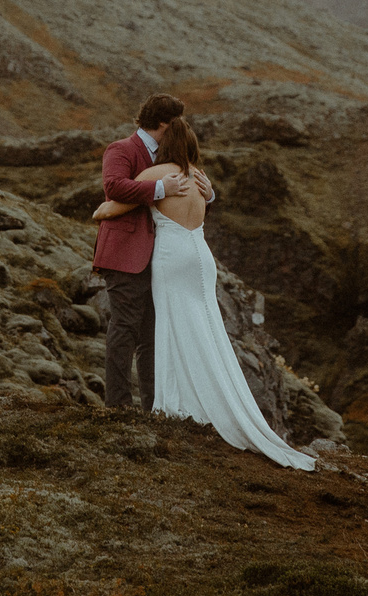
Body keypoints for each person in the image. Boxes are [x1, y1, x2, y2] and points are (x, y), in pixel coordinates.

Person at [92, 111, 315, 470]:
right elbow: (201, 204)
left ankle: (174, 401)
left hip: (173, 259)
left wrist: (102, 211)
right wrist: (209, 196)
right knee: (203, 330)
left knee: (170, 328)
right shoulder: (199, 178)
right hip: (201, 258)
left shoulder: (158, 174)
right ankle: (212, 401)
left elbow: (110, 206)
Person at [91, 94, 200, 412]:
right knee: (124, 328)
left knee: (151, 335)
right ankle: (118, 405)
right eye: (176, 121)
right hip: (124, 255)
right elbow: (113, 187)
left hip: (159, 259)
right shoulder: (121, 149)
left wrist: (207, 195)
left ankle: (153, 406)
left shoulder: (167, 154)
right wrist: (160, 188)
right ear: (164, 122)